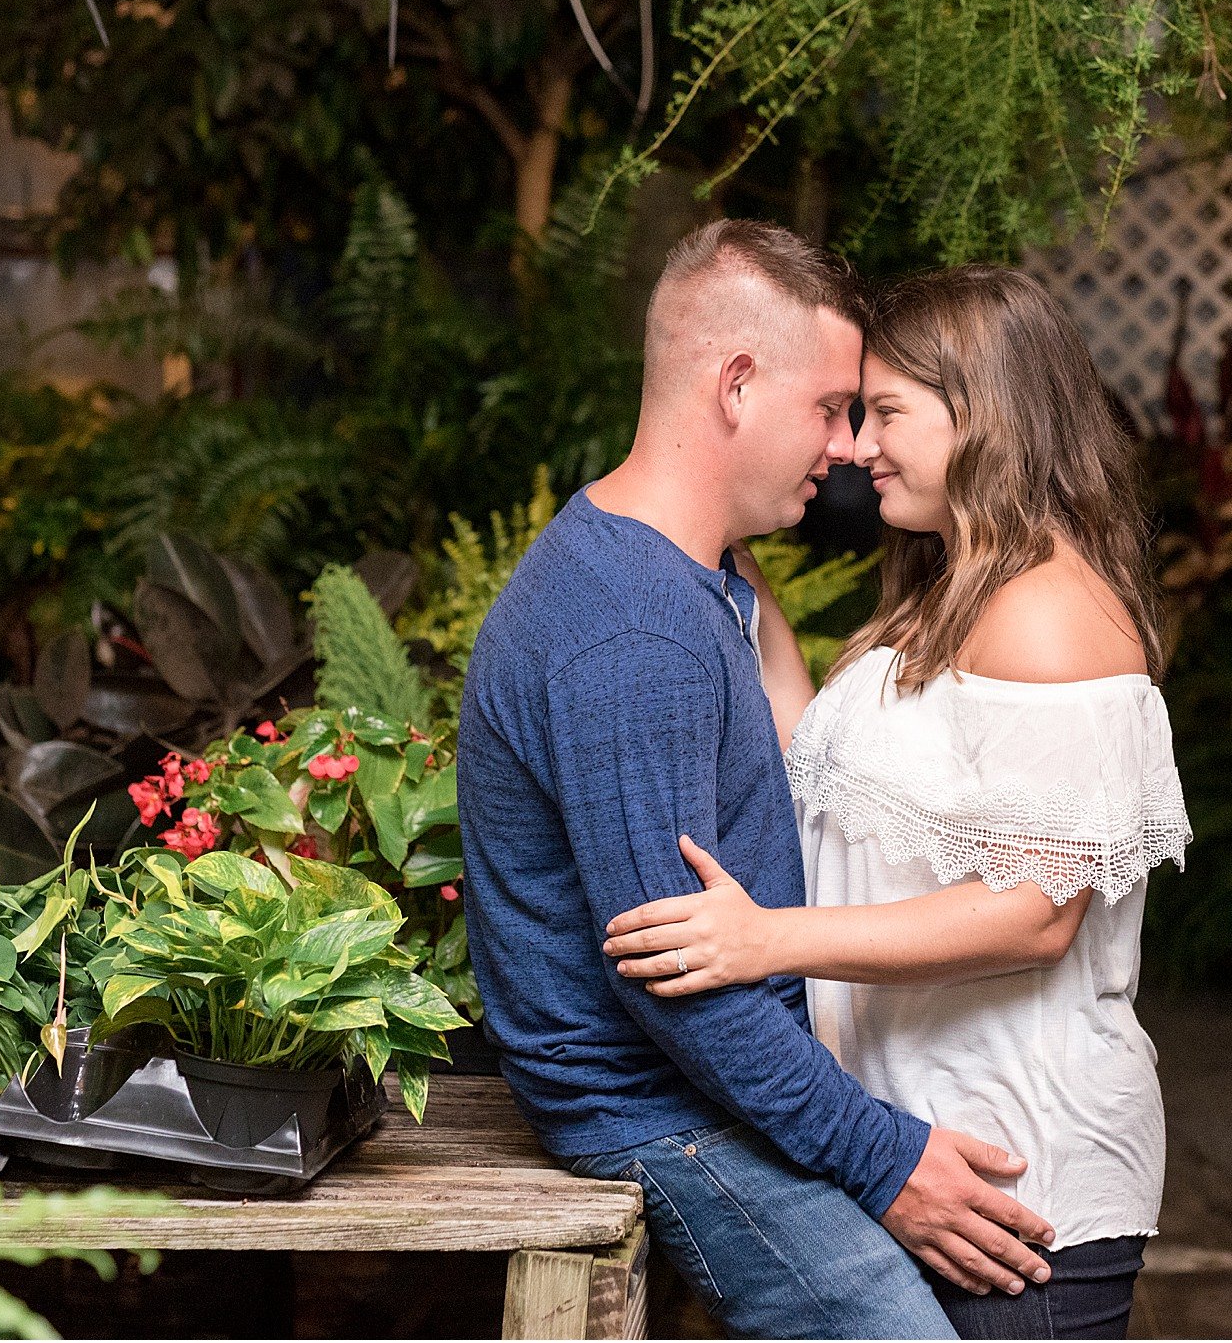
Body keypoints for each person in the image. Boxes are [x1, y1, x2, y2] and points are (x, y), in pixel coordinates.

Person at [456, 222, 1058, 1340]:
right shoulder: (631, 632)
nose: (841, 445)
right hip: (662, 1113)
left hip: (709, 1095)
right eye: (830, 405)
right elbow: (670, 975)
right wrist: (885, 1158)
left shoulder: (672, 571)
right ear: (735, 384)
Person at [601, 266, 1193, 1340]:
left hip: (1016, 1183)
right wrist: (708, 542)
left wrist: (764, 940)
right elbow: (812, 762)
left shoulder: (1049, 616)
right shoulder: (940, 592)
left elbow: (1034, 911)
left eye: (883, 413)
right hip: (912, 1159)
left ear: (980, 416)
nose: (856, 445)